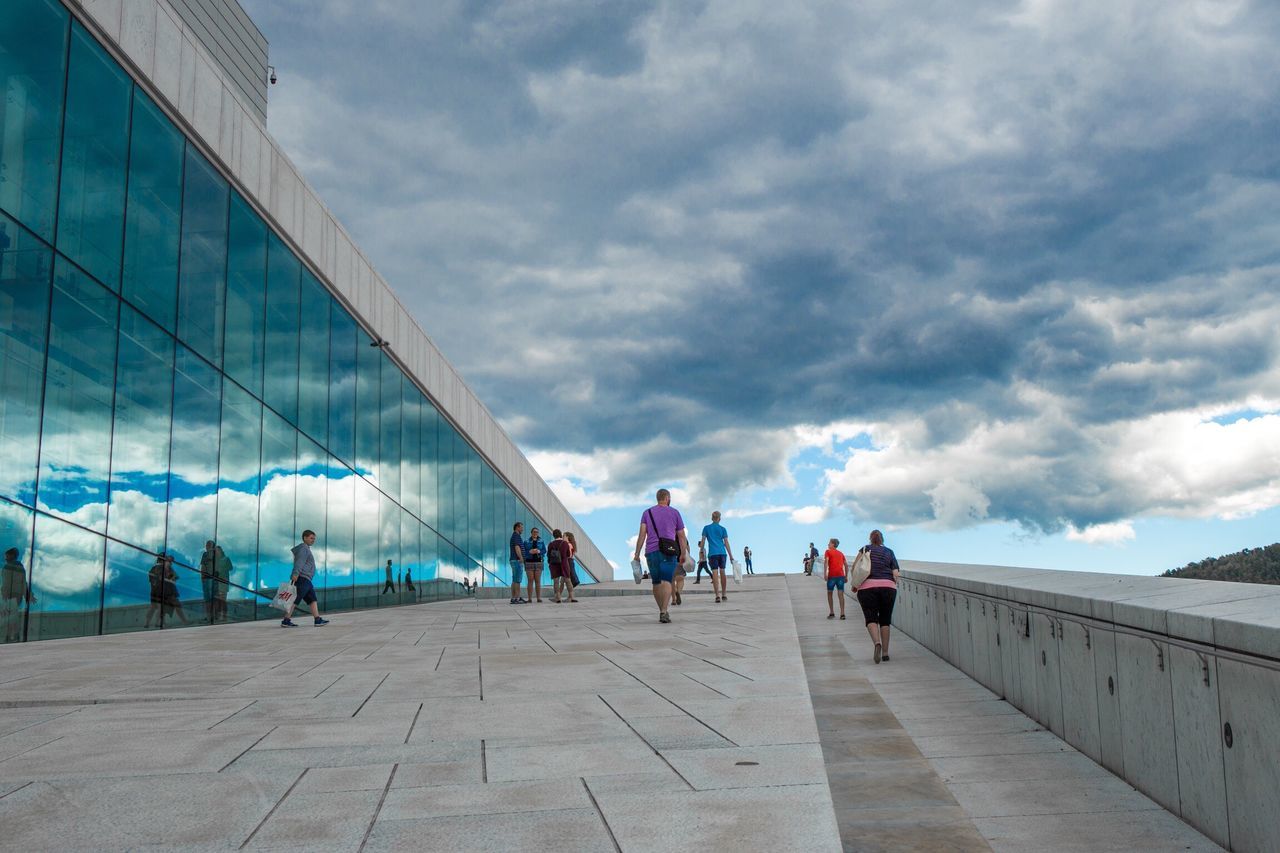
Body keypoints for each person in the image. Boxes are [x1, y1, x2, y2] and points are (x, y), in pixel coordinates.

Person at [632, 488, 689, 624]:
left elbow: (642, 535)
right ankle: (664, 610)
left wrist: (637, 553)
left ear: (657, 498)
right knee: (667, 580)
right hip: (669, 550)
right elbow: (681, 536)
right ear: (667, 498)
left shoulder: (647, 513)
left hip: (651, 552)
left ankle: (661, 610)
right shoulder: (675, 512)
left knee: (656, 582)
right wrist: (683, 552)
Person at [855, 530, 900, 663]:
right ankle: (885, 653)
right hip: (888, 587)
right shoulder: (889, 552)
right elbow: (896, 573)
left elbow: (857, 568)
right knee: (885, 620)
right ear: (882, 540)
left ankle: (876, 643)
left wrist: (855, 584)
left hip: (867, 587)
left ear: (870, 539)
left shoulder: (864, 549)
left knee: (871, 618)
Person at [283, 529, 329, 627]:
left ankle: (317, 619)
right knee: (295, 599)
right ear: (305, 538)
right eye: (311, 538)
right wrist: (295, 574)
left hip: (306, 579)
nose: (313, 540)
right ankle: (286, 620)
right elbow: (299, 562)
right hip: (302, 578)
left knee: (312, 599)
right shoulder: (304, 548)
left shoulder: (306, 548)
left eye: (314, 538)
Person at [699, 511, 734, 604]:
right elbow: (726, 543)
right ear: (719, 519)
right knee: (722, 571)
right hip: (722, 553)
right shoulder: (723, 529)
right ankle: (724, 594)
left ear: (712, 518)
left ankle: (717, 595)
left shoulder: (706, 528)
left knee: (715, 573)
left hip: (712, 554)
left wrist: (701, 550)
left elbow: (703, 541)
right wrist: (731, 556)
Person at [2, 547, 35, 643]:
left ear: (12, 556)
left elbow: (20, 583)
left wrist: (28, 595)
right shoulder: (17, 567)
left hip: (11, 596)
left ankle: (11, 637)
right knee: (11, 617)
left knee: (10, 617)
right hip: (13, 596)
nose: (5, 558)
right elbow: (24, 583)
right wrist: (28, 595)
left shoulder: (10, 567)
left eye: (7, 555)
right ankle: (12, 637)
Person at [823, 538, 847, 620]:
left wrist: (825, 573)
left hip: (832, 576)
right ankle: (842, 614)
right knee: (841, 594)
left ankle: (832, 612)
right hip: (841, 576)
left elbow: (826, 562)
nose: (828, 544)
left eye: (829, 543)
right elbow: (846, 565)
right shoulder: (841, 553)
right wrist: (846, 576)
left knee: (830, 593)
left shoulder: (828, 551)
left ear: (833, 544)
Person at [548, 529, 572, 603]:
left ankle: (557, 598)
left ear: (554, 535)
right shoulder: (565, 543)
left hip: (554, 564)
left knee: (556, 582)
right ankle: (571, 596)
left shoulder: (551, 544)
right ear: (560, 534)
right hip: (564, 564)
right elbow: (568, 554)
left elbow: (548, 555)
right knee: (567, 580)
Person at [524, 527, 546, 603]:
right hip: (529, 562)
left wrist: (539, 551)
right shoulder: (526, 541)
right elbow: (523, 551)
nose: (535, 533)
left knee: (537, 580)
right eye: (534, 532)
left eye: (537, 532)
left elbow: (544, 551)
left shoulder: (541, 541)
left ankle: (538, 598)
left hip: (538, 562)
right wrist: (529, 551)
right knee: (530, 580)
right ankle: (529, 598)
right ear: (531, 533)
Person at [211, 545, 232, 622]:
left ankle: (224, 616)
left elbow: (231, 568)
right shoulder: (215, 560)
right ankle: (217, 616)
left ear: (221, 551)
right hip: (216, 582)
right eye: (215, 551)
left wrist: (222, 570)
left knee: (223, 600)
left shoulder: (226, 559)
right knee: (217, 600)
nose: (217, 552)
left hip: (223, 581)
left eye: (218, 550)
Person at [509, 522, 527, 605]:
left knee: (514, 579)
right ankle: (517, 598)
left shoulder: (515, 536)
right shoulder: (516, 536)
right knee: (517, 580)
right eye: (521, 527)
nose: (522, 529)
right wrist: (521, 558)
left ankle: (514, 598)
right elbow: (517, 547)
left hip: (513, 560)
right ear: (517, 527)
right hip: (517, 560)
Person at [199, 540, 217, 619]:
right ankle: (212, 616)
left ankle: (210, 616)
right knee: (211, 598)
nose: (206, 546)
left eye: (208, 545)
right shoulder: (215, 554)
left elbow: (203, 567)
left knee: (208, 599)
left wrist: (202, 576)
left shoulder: (207, 554)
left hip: (208, 578)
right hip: (211, 578)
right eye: (206, 545)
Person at [564, 532, 581, 602]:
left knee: (569, 580)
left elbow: (567, 554)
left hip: (568, 561)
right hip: (570, 561)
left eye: (564, 536)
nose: (563, 537)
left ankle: (571, 597)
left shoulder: (568, 544)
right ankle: (570, 597)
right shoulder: (571, 544)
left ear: (567, 537)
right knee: (569, 580)